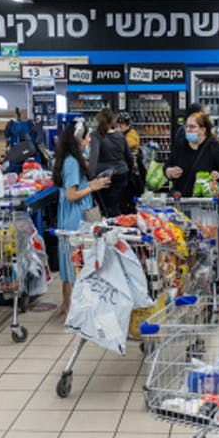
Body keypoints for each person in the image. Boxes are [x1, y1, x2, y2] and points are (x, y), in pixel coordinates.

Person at [164, 112, 219, 285]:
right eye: (187, 126)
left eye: (192, 127)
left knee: (209, 246)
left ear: (203, 130)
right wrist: (168, 172)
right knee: (188, 246)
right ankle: (188, 278)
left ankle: (213, 279)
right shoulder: (180, 146)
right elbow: (167, 166)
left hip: (209, 211)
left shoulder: (213, 147)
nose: (188, 130)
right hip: (185, 207)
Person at [55, 118, 112, 315]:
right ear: (79, 139)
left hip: (73, 214)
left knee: (69, 261)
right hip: (75, 217)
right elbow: (71, 195)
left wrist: (93, 182)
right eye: (87, 137)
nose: (89, 141)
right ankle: (73, 310)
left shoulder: (70, 159)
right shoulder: (72, 162)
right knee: (75, 261)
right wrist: (92, 187)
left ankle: (67, 306)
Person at [91, 108, 132, 218]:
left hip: (104, 175)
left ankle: (110, 227)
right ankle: (121, 224)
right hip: (121, 174)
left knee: (106, 207)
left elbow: (93, 158)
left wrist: (90, 177)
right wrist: (129, 169)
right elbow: (129, 156)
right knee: (118, 204)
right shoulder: (120, 135)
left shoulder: (96, 136)